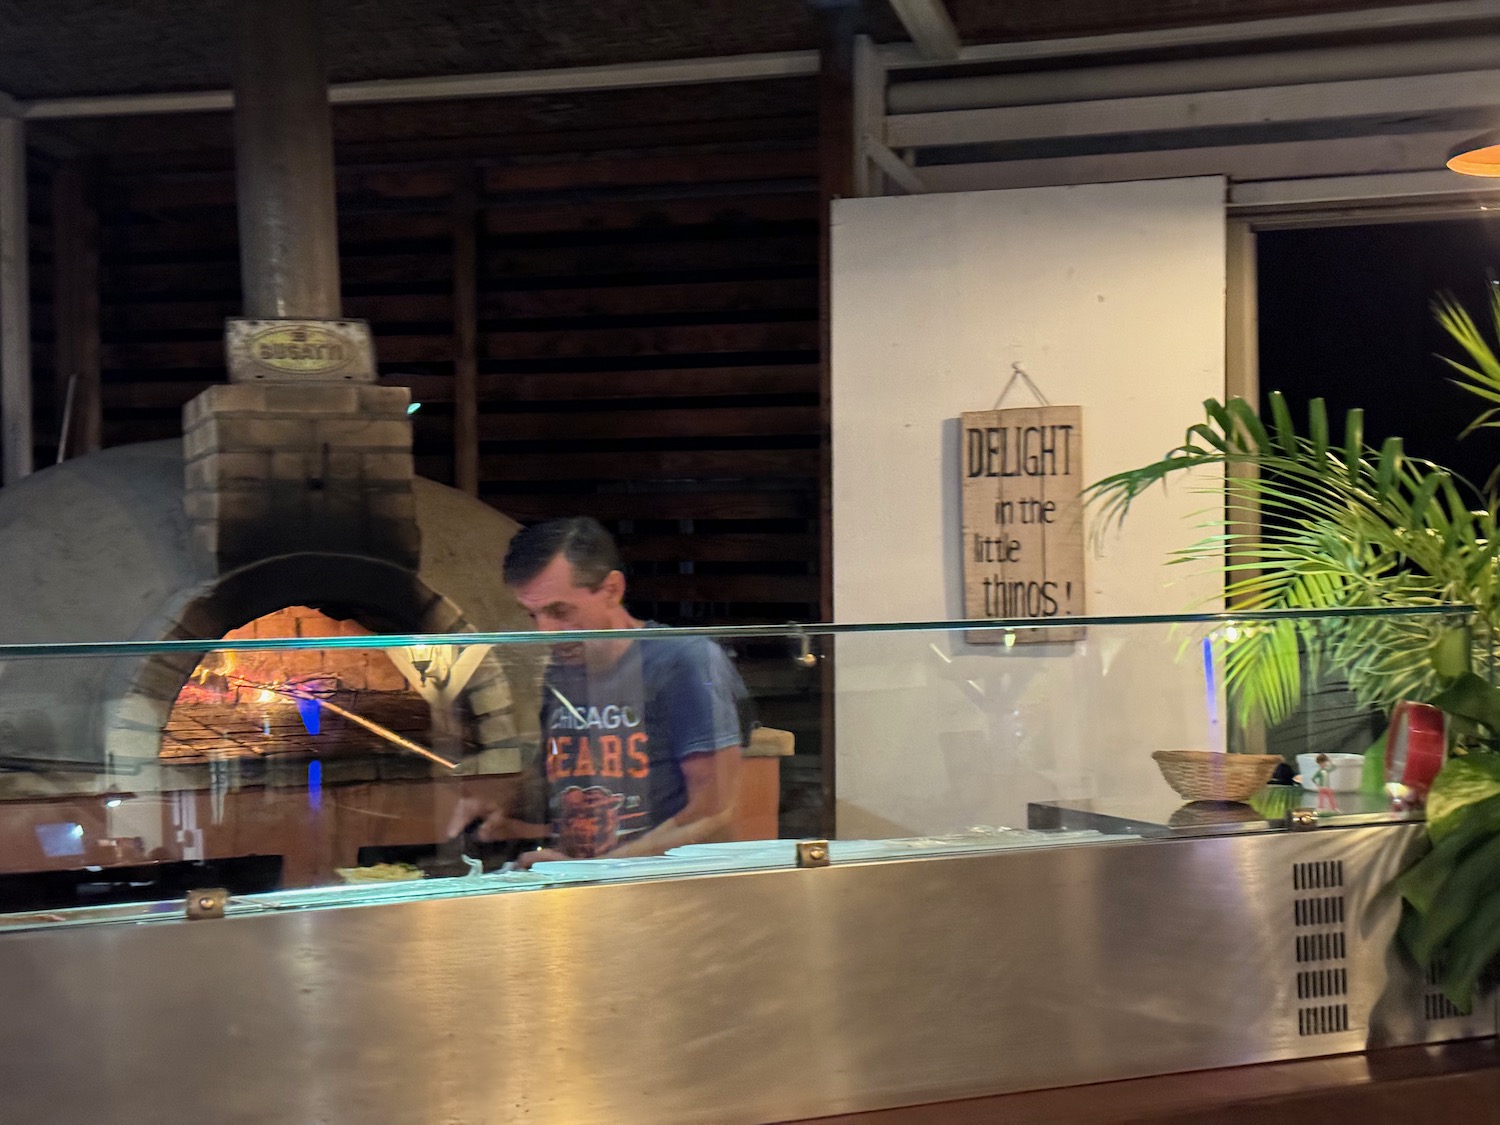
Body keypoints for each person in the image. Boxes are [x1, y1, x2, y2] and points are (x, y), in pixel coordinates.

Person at [447, 517, 748, 866]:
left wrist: (598, 872)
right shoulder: (561, 671)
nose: (545, 633)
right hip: (584, 894)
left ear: (612, 590)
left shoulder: (685, 661)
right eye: (532, 615)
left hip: (665, 892)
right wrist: (505, 812)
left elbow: (714, 813)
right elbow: (563, 776)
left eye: (559, 611)